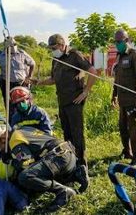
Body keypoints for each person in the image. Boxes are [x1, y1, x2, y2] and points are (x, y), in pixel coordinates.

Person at [0, 124, 89, 213]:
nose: (0, 149)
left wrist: (13, 161)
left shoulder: (14, 140)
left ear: (2, 139)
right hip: (68, 155)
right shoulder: (21, 129)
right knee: (40, 174)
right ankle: (76, 174)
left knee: (25, 177)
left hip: (58, 158)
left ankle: (63, 192)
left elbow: (26, 164)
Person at [37, 34, 97, 167]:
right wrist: (39, 83)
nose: (52, 50)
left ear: (61, 45)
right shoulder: (56, 59)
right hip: (62, 101)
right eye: (51, 48)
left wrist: (86, 91)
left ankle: (81, 164)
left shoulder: (75, 55)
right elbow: (53, 79)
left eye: (54, 47)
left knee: (77, 134)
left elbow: (92, 71)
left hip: (74, 102)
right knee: (67, 132)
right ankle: (70, 161)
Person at [111, 29, 136, 166]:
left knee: (134, 129)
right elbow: (116, 79)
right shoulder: (119, 57)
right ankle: (127, 151)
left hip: (133, 101)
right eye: (115, 41)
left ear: (126, 41)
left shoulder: (134, 56)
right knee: (123, 127)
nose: (117, 44)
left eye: (119, 41)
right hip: (122, 100)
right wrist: (114, 95)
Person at [0, 37, 36, 105]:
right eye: (11, 45)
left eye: (14, 44)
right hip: (7, 84)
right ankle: (11, 115)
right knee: (9, 104)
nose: (13, 47)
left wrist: (29, 77)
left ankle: (25, 115)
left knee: (25, 103)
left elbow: (32, 64)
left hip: (22, 83)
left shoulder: (22, 53)